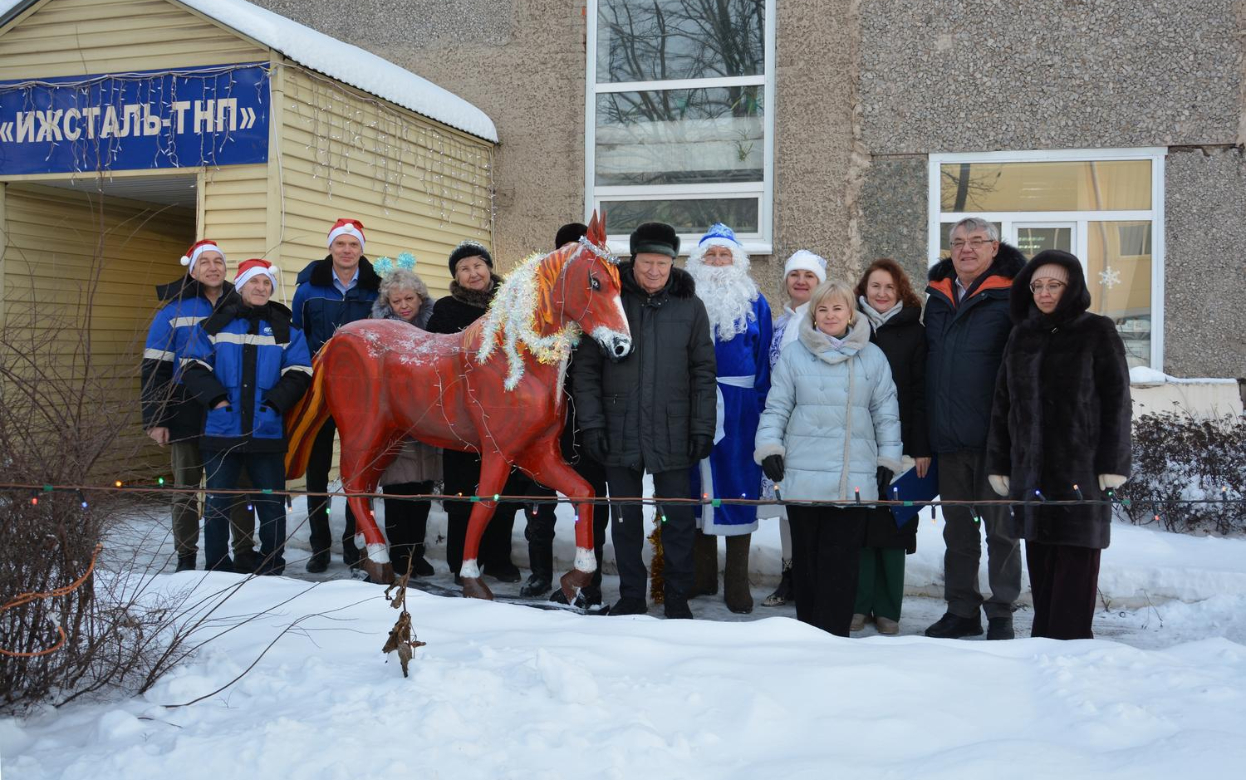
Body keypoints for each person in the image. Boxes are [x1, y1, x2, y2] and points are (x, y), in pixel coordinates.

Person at [573, 221, 717, 619]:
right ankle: (632, 596)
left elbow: (704, 372)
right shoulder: (609, 301)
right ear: (632, 261)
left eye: (662, 263)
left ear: (673, 263)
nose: (654, 271)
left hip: (673, 430)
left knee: (677, 520)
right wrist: (593, 425)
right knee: (625, 520)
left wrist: (702, 427)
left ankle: (676, 598)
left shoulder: (691, 307)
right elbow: (586, 371)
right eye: (646, 262)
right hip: (619, 429)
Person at [986, 250, 1131, 640]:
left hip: (1080, 470)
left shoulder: (1097, 331)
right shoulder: (1022, 335)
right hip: (1031, 470)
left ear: (1072, 287)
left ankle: (1072, 647)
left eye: (1053, 285)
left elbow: (1117, 399)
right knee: (1042, 560)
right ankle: (1044, 645)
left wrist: (1113, 461)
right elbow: (1003, 404)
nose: (1044, 293)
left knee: (1076, 563)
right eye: (1036, 286)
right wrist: (1000, 462)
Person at [754, 280, 902, 637]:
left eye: (837, 308)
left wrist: (888, 459)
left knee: (842, 563)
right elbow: (776, 408)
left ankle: (835, 637)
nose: (830, 315)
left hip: (851, 477)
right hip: (804, 475)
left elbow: (886, 412)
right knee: (807, 561)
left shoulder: (872, 357)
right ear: (814, 315)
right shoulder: (793, 355)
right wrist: (770, 448)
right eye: (823, 309)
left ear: (851, 313)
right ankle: (808, 635)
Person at [923, 217, 1026, 641]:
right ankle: (961, 609)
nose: (966, 249)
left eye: (976, 241)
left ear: (994, 247)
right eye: (958, 242)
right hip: (949, 439)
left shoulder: (1013, 295)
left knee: (1002, 531)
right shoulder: (939, 298)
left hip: (994, 438)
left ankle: (1001, 612)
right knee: (958, 532)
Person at [181, 259, 312, 573]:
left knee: (271, 504)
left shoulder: (286, 328)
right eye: (254, 282)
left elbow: (299, 372)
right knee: (217, 504)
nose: (261, 288)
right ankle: (216, 563)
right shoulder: (215, 325)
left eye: (266, 283)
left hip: (266, 429)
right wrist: (217, 400)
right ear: (240, 286)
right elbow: (193, 366)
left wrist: (274, 404)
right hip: (221, 429)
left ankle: (271, 562)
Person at [141, 240, 256, 572]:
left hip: (231, 408)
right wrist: (155, 418)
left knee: (238, 487)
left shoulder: (245, 304)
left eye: (218, 261)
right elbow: (154, 368)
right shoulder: (173, 311)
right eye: (204, 262)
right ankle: (186, 556)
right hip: (184, 408)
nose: (212, 267)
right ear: (192, 270)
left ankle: (245, 551)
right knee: (185, 490)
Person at [521, 223, 611, 607]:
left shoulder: (597, 303)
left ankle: (590, 581)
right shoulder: (537, 302)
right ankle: (540, 572)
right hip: (541, 424)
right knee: (538, 507)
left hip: (585, 422)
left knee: (591, 506)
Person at [684, 223, 772, 614]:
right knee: (694, 487)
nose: (718, 263)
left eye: (724, 256)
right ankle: (700, 574)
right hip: (694, 402)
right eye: (711, 256)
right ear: (698, 262)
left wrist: (761, 407)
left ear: (736, 261)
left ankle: (736, 581)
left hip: (741, 410)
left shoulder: (756, 301)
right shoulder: (685, 300)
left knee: (737, 487)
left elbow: (765, 357)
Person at [426, 239, 524, 584]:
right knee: (462, 492)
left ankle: (498, 558)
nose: (473, 273)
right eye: (464, 268)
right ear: (456, 276)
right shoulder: (446, 309)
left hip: (507, 413)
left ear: (489, 268)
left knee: (502, 489)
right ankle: (461, 560)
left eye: (478, 265)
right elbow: (438, 356)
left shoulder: (514, 302)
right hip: (462, 416)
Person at [292, 219, 381, 573]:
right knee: (317, 470)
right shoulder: (308, 289)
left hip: (360, 392)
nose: (347, 250)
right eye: (340, 244)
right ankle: (319, 545)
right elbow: (298, 337)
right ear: (330, 248)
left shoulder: (375, 289)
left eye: (353, 245)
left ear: (361, 249)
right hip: (318, 389)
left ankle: (353, 543)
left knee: (357, 469)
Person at [851, 258, 931, 634]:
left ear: (900, 292)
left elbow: (921, 395)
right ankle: (859, 602)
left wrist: (920, 448)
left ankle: (888, 609)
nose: (881, 294)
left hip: (901, 443)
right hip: (858, 442)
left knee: (894, 522)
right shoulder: (851, 329)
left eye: (889, 288)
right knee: (861, 520)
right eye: (875, 286)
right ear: (863, 290)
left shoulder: (915, 332)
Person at [760, 249, 826, 607]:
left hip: (814, 427)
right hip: (784, 425)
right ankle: (791, 574)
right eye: (794, 275)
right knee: (788, 504)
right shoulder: (782, 321)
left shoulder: (821, 322)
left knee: (811, 503)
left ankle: (812, 575)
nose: (800, 281)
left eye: (809, 276)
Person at [370, 265, 440, 578]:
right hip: (396, 417)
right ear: (388, 305)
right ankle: (400, 554)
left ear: (420, 298)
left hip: (431, 416)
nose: (404, 306)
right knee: (398, 491)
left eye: (409, 298)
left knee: (422, 491)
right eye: (397, 301)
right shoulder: (379, 331)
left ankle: (417, 553)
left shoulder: (435, 326)